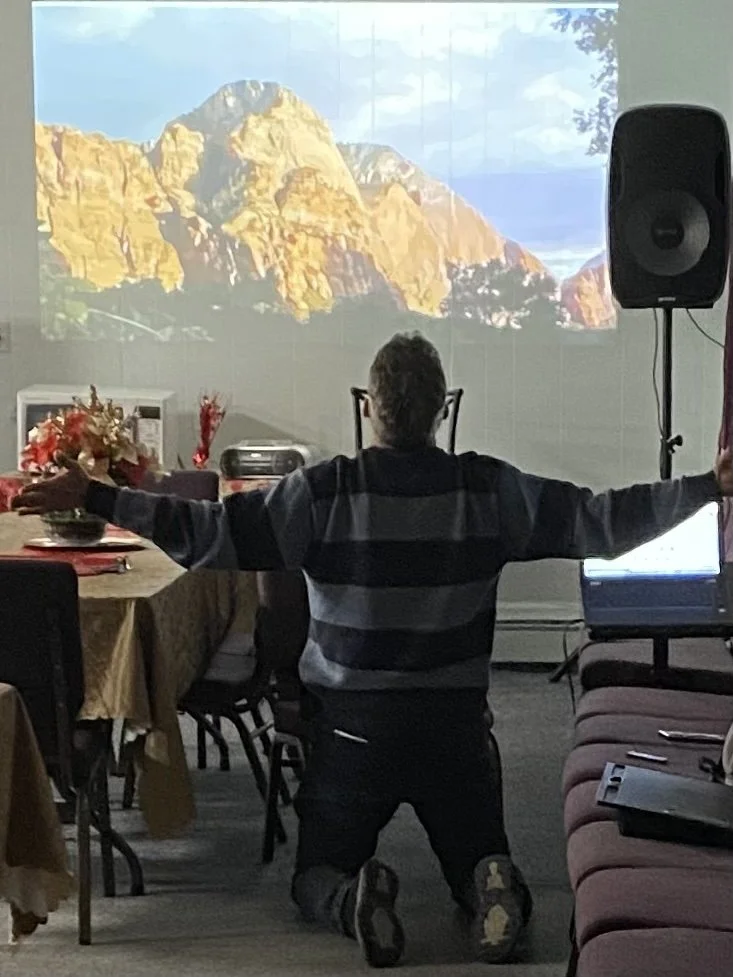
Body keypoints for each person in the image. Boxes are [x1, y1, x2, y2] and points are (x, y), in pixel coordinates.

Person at [14, 333, 733, 968]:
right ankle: (489, 879)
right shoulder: (486, 491)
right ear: (441, 407)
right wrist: (707, 486)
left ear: (369, 406)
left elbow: (207, 532)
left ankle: (349, 894)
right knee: (474, 858)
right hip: (455, 732)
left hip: (353, 733)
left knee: (312, 873)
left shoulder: (324, 494)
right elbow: (602, 521)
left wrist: (102, 497)